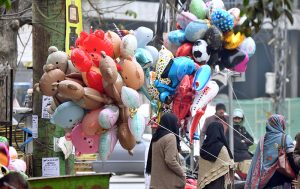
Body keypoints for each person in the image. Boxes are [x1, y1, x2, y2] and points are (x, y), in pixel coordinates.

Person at [245, 114, 298, 189]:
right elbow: (291, 157)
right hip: (282, 179)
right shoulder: (285, 138)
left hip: (264, 181)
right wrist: (296, 173)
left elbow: (256, 160)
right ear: (281, 124)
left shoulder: (262, 140)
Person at [146, 113, 186, 189]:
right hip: (168, 184)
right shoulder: (170, 137)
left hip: (157, 183)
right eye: (176, 123)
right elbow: (170, 160)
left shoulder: (156, 137)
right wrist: (182, 173)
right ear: (172, 123)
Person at [197, 122, 234, 189]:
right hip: (218, 184)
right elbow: (229, 165)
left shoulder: (203, 147)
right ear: (220, 131)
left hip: (205, 185)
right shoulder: (221, 148)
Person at [229, 108, 254, 180]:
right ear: (232, 119)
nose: (237, 120)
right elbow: (237, 143)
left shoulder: (243, 129)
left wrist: (244, 141)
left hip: (244, 157)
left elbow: (251, 140)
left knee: (245, 178)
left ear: (242, 119)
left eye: (239, 118)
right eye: (235, 118)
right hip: (234, 158)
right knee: (233, 179)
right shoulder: (230, 129)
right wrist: (243, 142)